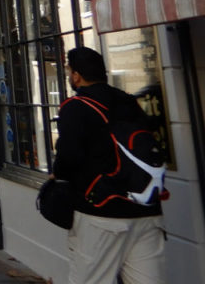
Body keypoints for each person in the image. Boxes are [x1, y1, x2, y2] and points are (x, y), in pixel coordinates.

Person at [52, 46, 164, 284]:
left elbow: (68, 158)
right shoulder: (128, 101)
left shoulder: (75, 106)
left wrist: (57, 175)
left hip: (101, 213)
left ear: (76, 76)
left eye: (69, 71)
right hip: (146, 210)